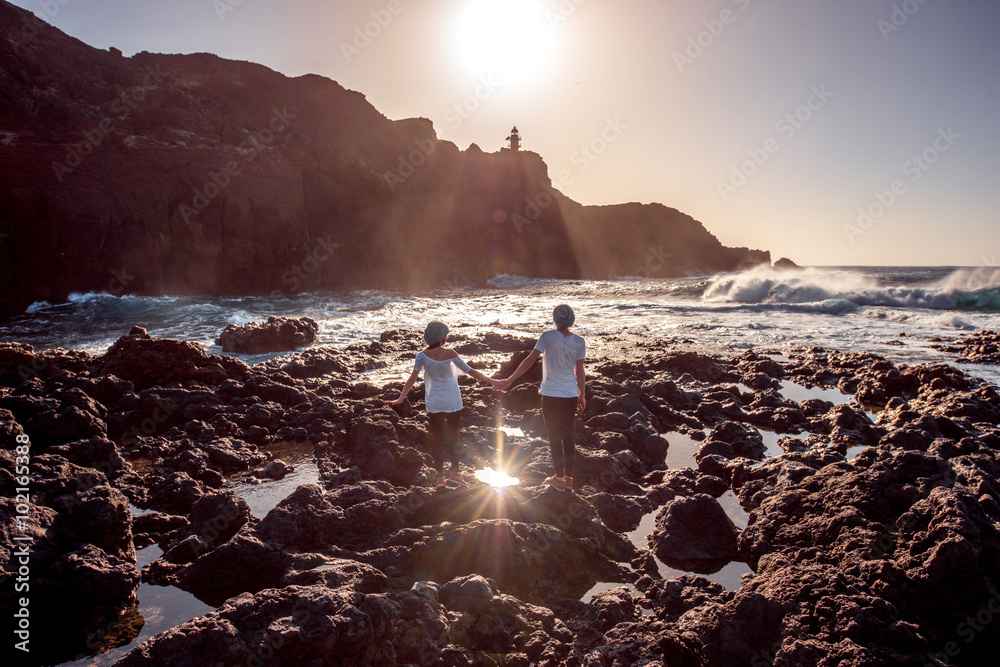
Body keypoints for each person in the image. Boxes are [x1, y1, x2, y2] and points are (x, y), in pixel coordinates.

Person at [386, 321, 501, 486]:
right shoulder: (450, 353)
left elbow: (412, 379)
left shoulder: (422, 355)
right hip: (452, 400)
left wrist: (400, 398)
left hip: (434, 401)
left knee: (437, 438)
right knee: (454, 437)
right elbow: (471, 372)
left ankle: (440, 477)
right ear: (443, 337)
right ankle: (456, 473)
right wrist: (493, 381)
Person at [500, 305, 586, 491]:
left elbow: (530, 360)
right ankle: (569, 480)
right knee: (568, 436)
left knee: (555, 436)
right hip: (570, 395)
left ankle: (559, 477)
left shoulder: (547, 336)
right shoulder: (579, 341)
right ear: (571, 318)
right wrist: (582, 394)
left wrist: (510, 379)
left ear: (555, 318)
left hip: (550, 395)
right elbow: (579, 370)